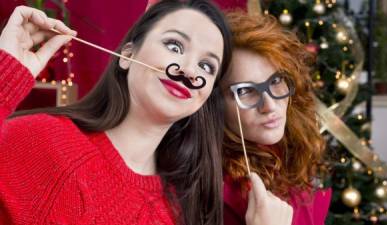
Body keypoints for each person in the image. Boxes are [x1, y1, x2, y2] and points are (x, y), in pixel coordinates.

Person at [0, 0, 232, 224]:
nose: (190, 70)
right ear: (128, 56)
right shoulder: (43, 141)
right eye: (175, 46)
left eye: (207, 66)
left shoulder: (186, 206)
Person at [221, 11, 331, 225]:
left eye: (276, 81)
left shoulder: (296, 156)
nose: (269, 106)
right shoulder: (211, 189)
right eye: (245, 91)